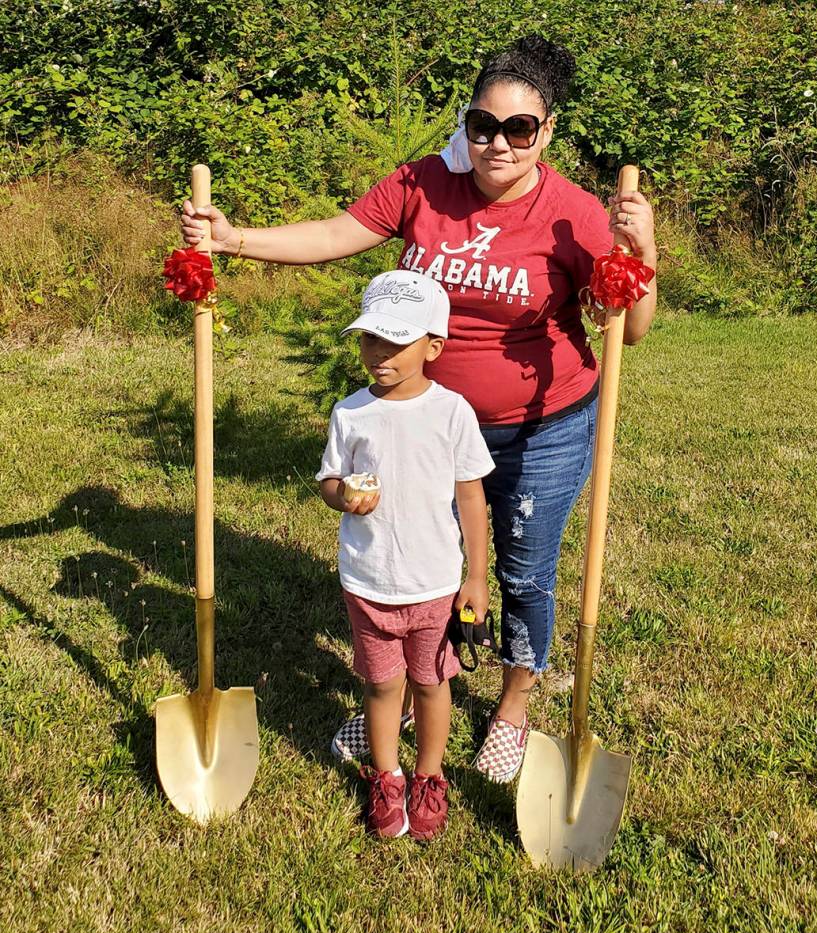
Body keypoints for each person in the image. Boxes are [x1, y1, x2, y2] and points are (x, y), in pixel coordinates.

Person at [180, 35, 658, 783]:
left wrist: (642, 252)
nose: (497, 143)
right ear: (466, 123)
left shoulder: (572, 213)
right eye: (482, 125)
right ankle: (411, 687)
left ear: (546, 131)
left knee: (523, 572)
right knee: (422, 564)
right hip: (424, 424)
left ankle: (512, 705)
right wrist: (235, 239)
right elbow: (340, 234)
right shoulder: (423, 183)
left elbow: (626, 326)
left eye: (518, 129)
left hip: (541, 428)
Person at [315, 269, 495, 839]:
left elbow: (472, 500)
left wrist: (477, 577)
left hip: (435, 584)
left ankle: (429, 777)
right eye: (371, 339)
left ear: (433, 347)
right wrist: (343, 495)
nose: (380, 353)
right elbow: (329, 481)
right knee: (380, 684)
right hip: (368, 581)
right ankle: (387, 776)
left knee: (430, 682)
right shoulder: (351, 413)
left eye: (397, 342)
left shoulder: (451, 412)